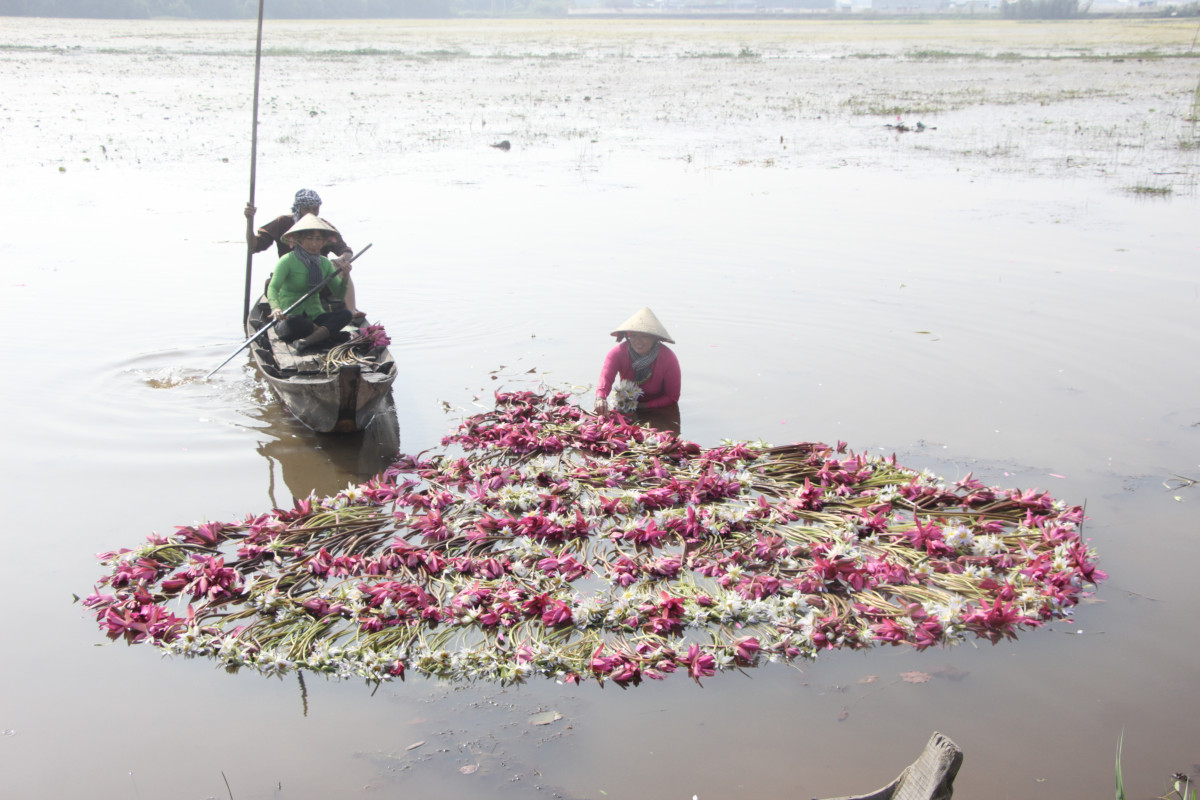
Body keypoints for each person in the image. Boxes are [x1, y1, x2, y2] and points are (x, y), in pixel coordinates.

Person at [245, 188, 363, 321]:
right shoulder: (283, 225)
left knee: (339, 269)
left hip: (319, 283)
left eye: (315, 209)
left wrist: (341, 262)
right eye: (307, 209)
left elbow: (346, 251)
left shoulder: (323, 227)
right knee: (295, 321)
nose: (311, 214)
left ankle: (351, 310)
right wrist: (249, 221)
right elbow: (254, 246)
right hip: (291, 285)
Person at [266, 215, 354, 352]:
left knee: (346, 315)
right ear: (299, 240)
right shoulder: (287, 261)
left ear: (324, 241)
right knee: (298, 323)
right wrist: (276, 308)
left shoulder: (325, 263)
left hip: (315, 315)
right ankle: (324, 335)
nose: (314, 244)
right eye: (310, 239)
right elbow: (273, 287)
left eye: (318, 239)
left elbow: (339, 293)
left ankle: (307, 341)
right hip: (291, 318)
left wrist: (346, 276)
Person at [594, 307, 681, 416]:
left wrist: (641, 407)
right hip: (626, 404)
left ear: (655, 338)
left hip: (657, 409)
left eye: (644, 336)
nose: (638, 341)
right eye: (634, 336)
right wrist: (600, 398)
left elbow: (672, 397)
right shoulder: (618, 353)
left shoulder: (668, 358)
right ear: (628, 336)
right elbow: (606, 377)